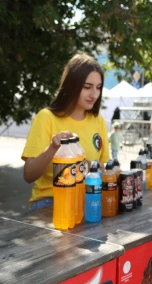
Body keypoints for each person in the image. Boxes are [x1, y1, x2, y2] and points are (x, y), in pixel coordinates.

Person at [21, 53, 110, 209]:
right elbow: (29, 175)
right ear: (72, 85)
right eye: (87, 87)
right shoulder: (46, 118)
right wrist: (53, 148)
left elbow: (103, 169)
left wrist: (97, 169)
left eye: (98, 87)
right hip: (50, 202)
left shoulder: (98, 121)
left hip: (87, 201)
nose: (94, 94)